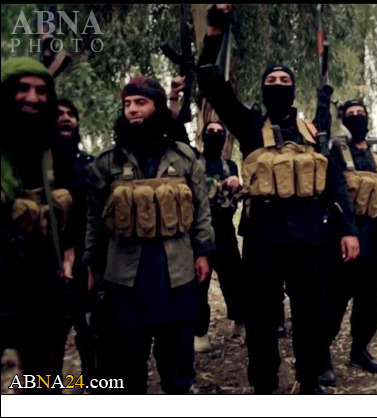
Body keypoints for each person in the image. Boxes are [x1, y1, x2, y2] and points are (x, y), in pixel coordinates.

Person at [196, 4, 359, 394]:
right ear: (263, 88)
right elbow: (211, 82)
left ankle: (309, 381)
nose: (279, 83)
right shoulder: (250, 124)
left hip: (310, 239)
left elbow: (333, 182)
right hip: (263, 240)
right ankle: (265, 386)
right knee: (262, 320)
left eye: (285, 79)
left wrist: (348, 229)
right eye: (272, 79)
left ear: (294, 88)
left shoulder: (313, 132)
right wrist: (215, 30)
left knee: (311, 316)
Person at [83, 76, 215, 394]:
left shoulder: (184, 158)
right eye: (127, 104)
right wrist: (92, 264)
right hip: (125, 277)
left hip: (176, 273)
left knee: (177, 366)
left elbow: (201, 211)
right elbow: (94, 220)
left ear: (157, 107)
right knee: (127, 368)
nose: (132, 109)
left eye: (140, 102)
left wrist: (203, 252)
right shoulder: (107, 163)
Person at [1, 57, 75, 393]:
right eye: (22, 88)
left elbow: (75, 207)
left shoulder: (55, 149)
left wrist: (70, 251)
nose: (33, 98)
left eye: (41, 90)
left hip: (42, 284)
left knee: (42, 381)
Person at [318, 97, 377, 386]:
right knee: (334, 302)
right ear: (344, 120)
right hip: (345, 240)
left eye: (361, 112)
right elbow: (335, 195)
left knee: (370, 304)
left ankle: (359, 349)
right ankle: (321, 356)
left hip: (376, 241)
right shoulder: (336, 153)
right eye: (351, 113)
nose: (357, 116)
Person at [53, 98, 98, 389]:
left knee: (90, 334)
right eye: (58, 114)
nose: (66, 118)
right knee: (48, 341)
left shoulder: (89, 165)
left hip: (84, 261)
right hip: (44, 264)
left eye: (71, 114)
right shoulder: (32, 164)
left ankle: (93, 386)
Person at [194, 120, 245, 353]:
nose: (214, 135)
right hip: (199, 230)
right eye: (210, 131)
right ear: (203, 136)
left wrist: (236, 184)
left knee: (234, 279)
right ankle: (200, 332)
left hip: (224, 229)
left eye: (219, 132)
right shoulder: (194, 163)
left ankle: (239, 321)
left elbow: (236, 196)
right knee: (199, 282)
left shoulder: (230, 165)